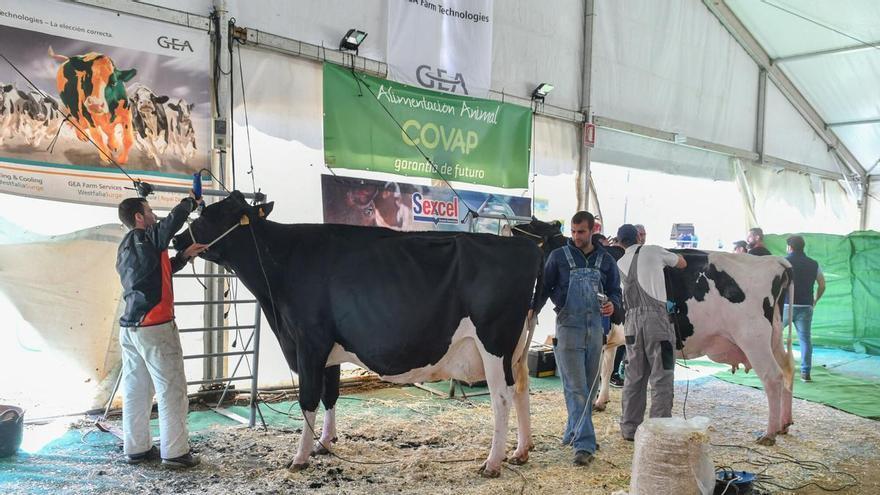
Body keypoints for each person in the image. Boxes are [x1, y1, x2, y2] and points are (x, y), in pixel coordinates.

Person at [116, 192, 208, 468]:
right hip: (156, 327)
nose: (154, 216)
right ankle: (176, 453)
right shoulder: (148, 237)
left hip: (131, 329)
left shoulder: (126, 246)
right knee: (172, 390)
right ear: (138, 217)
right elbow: (170, 224)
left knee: (137, 390)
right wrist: (190, 202)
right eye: (149, 211)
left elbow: (155, 272)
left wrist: (183, 257)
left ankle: (137, 449)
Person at [531, 211, 621, 466]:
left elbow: (615, 291)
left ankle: (573, 431)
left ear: (592, 230)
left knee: (589, 389)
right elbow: (543, 287)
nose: (576, 236)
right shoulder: (559, 257)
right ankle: (585, 444)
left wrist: (613, 305)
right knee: (576, 388)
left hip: (596, 329)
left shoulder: (606, 260)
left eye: (581, 232)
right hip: (568, 327)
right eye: (573, 231)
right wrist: (532, 310)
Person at [615, 224, 687, 441]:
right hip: (657, 323)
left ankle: (629, 429)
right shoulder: (654, 250)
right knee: (661, 376)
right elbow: (681, 263)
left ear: (620, 242)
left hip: (631, 325)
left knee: (634, 377)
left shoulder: (619, 262)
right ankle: (659, 432)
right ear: (639, 237)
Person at [784, 235, 826, 382]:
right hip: (805, 306)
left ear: (790, 247)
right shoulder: (813, 264)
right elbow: (822, 285)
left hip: (786, 305)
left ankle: (774, 368)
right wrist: (815, 300)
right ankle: (805, 372)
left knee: (774, 336)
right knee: (805, 340)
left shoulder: (783, 262)